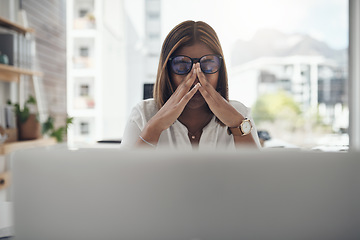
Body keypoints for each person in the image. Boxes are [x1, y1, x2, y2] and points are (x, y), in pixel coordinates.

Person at [121, 20, 260, 150]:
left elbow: (259, 175)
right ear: (167, 72)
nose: (196, 79)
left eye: (208, 65)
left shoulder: (240, 114)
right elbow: (126, 175)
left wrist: (237, 125)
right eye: (181, 65)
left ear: (220, 70)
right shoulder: (143, 115)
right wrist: (154, 128)